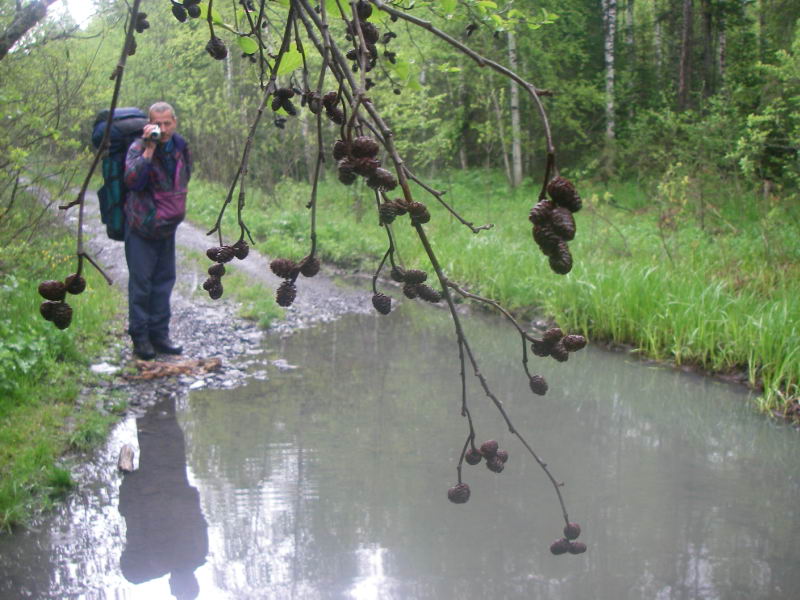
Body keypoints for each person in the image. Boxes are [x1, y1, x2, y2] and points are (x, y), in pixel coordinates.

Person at [123, 102, 192, 360]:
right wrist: (149, 150)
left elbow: (186, 176)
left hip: (167, 227)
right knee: (141, 285)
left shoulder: (181, 146)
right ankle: (140, 339)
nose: (162, 129)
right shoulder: (138, 147)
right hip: (141, 226)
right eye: (157, 124)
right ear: (149, 124)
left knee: (164, 283)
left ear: (174, 122)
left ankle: (160, 336)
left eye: (167, 123)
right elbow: (132, 181)